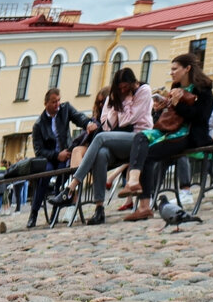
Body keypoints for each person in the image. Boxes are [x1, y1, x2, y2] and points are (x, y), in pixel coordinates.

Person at [114, 52, 213, 222]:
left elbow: (201, 117)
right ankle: (133, 182)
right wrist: (162, 108)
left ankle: (144, 206)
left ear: (187, 69)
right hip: (168, 131)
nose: (172, 72)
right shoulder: (176, 87)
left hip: (188, 135)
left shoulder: (203, 90)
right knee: (141, 138)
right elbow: (172, 116)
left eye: (175, 69)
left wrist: (177, 105)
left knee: (148, 154)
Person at [56, 69, 151, 215]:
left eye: (126, 87)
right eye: (120, 88)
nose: (123, 90)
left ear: (132, 83)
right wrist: (115, 104)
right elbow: (108, 125)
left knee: (100, 138)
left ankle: (71, 187)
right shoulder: (115, 97)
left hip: (139, 138)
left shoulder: (144, 90)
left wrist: (123, 102)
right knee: (101, 154)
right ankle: (99, 208)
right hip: (119, 141)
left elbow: (127, 120)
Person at [28, 87, 95, 228]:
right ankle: (33, 213)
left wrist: (88, 123)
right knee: (44, 176)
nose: (57, 104)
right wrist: (57, 155)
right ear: (46, 103)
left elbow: (78, 117)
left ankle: (55, 212)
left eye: (58, 100)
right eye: (53, 102)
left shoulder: (65, 109)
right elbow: (39, 151)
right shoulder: (39, 125)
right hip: (50, 158)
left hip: (66, 155)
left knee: (63, 176)